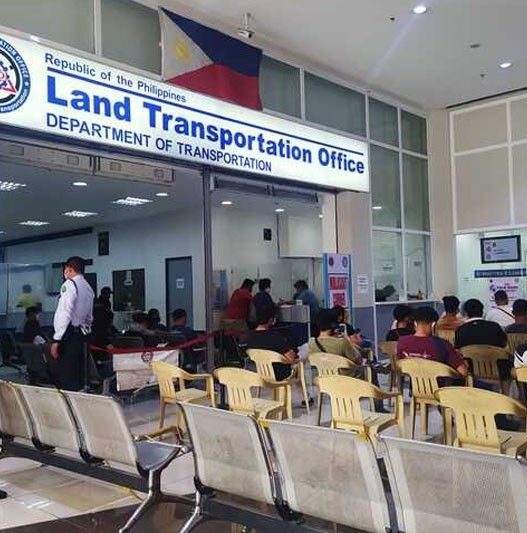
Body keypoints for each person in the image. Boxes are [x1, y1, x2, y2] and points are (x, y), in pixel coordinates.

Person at [50, 256, 94, 391]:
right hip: (82, 335)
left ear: (69, 268)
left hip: (68, 335)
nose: (64, 273)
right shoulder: (88, 287)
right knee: (78, 375)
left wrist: (56, 339)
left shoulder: (69, 284)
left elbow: (64, 313)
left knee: (67, 376)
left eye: (65, 270)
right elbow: (89, 317)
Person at [397, 306, 468, 377]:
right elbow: (463, 372)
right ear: (433, 324)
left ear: (415, 323)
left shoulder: (401, 342)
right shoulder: (443, 345)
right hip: (439, 384)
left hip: (412, 383)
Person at [245, 304, 298, 381]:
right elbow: (291, 358)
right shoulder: (275, 337)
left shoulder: (249, 338)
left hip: (259, 374)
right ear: (271, 319)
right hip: (279, 375)